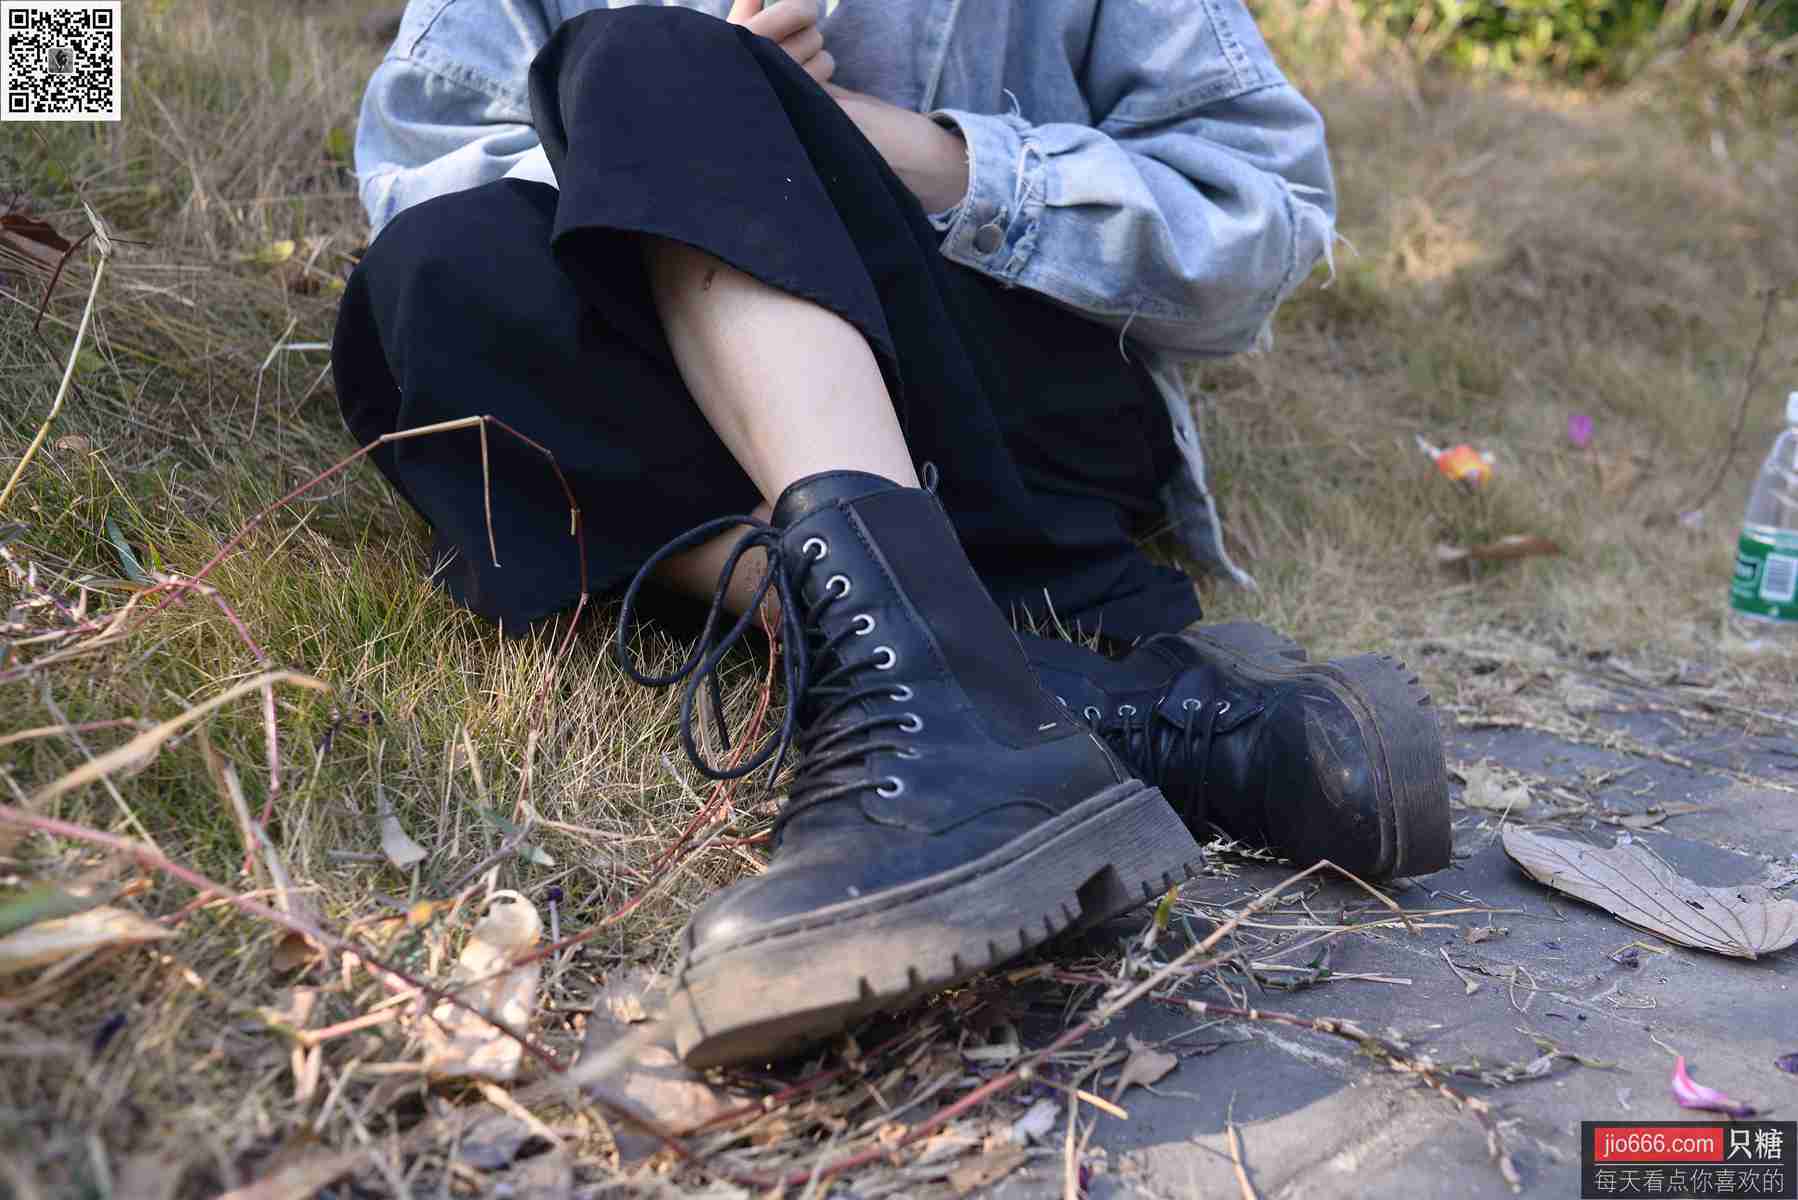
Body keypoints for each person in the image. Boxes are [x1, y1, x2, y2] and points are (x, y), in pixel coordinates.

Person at [332, 0, 1450, 1068]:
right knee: (426, 280)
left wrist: (895, 147)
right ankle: (1091, 710)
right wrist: (685, 147)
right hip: (693, 405)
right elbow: (428, 167)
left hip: (1013, 409)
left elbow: (1261, 214)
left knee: (644, 59)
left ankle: (947, 712)